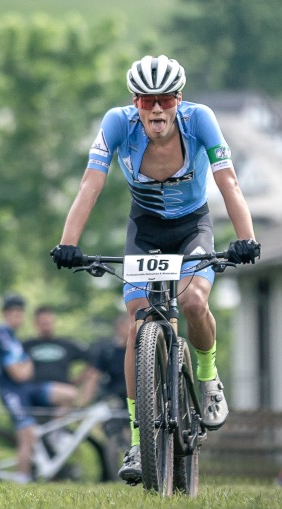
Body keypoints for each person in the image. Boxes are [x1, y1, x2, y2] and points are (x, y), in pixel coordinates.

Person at [50, 55, 260, 483]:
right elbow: (90, 185)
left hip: (192, 229)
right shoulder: (116, 124)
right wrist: (68, 245)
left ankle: (207, 376)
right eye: (148, 102)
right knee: (137, 320)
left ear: (179, 100)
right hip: (144, 231)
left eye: (166, 99)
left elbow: (228, 181)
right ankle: (138, 441)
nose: (158, 109)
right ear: (135, 103)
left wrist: (246, 238)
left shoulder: (200, 120)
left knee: (193, 301)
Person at [0, 294, 77, 484]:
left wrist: (25, 365)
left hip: (26, 388)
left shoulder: (13, 337)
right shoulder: (2, 335)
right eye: (13, 314)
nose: (17, 318)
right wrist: (27, 365)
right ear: (5, 315)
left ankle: (54, 436)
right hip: (12, 391)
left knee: (69, 394)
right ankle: (22, 478)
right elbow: (19, 373)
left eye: (20, 313)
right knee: (27, 434)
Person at [22, 305, 94, 405]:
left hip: (63, 391)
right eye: (42, 322)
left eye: (47, 321)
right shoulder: (26, 345)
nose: (45, 324)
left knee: (69, 396)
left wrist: (78, 381)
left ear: (53, 321)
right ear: (35, 323)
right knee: (71, 394)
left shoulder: (67, 344)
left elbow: (93, 359)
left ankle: (59, 421)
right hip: (34, 391)